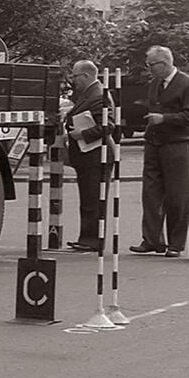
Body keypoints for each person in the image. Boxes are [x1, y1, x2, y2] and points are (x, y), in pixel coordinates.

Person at [129, 45, 189, 257]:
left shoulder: (186, 84)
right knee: (150, 193)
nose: (149, 68)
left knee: (177, 195)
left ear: (165, 63)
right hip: (155, 143)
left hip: (178, 144)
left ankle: (176, 244)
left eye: (151, 65)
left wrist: (164, 119)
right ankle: (152, 240)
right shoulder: (155, 83)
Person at [62, 60, 112, 252]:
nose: (73, 81)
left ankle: (93, 240)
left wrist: (82, 134)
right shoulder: (88, 94)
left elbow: (108, 126)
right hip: (86, 156)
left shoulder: (99, 96)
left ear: (86, 76)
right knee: (88, 200)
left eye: (75, 76)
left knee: (94, 201)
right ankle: (86, 238)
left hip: (96, 155)